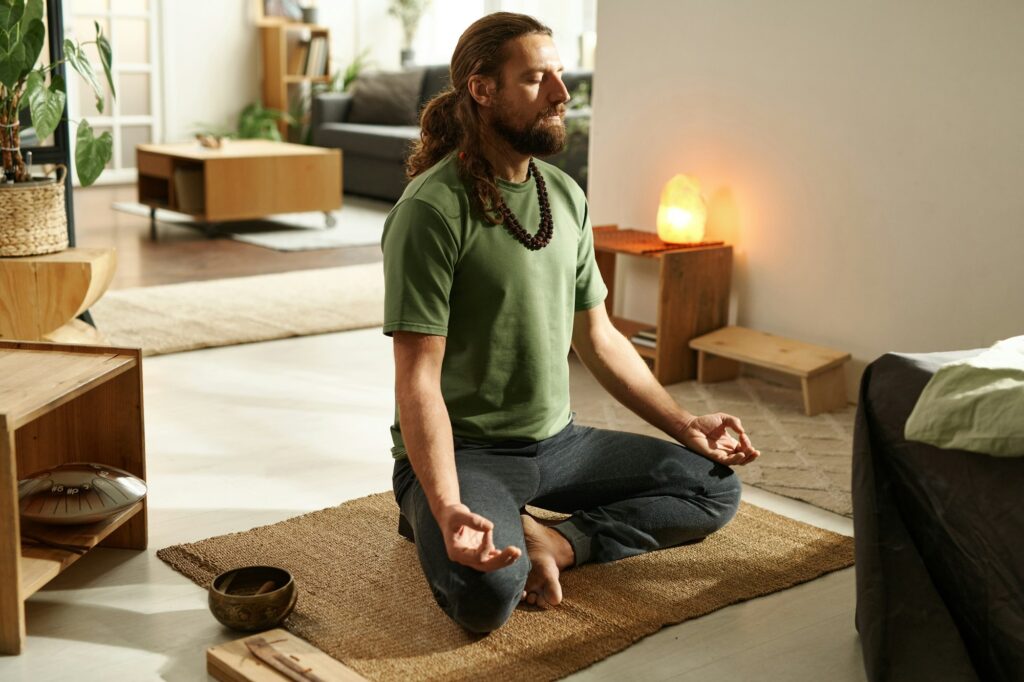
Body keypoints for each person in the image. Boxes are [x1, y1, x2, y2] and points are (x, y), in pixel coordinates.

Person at [382, 12, 760, 634]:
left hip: (560, 444)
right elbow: (417, 379)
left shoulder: (565, 195)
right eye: (535, 78)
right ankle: (426, 503)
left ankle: (556, 543)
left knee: (714, 489)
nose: (562, 93)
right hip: (470, 451)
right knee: (485, 598)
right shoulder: (431, 211)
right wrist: (449, 504)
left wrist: (685, 423)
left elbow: (599, 335)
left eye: (558, 74)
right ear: (482, 89)